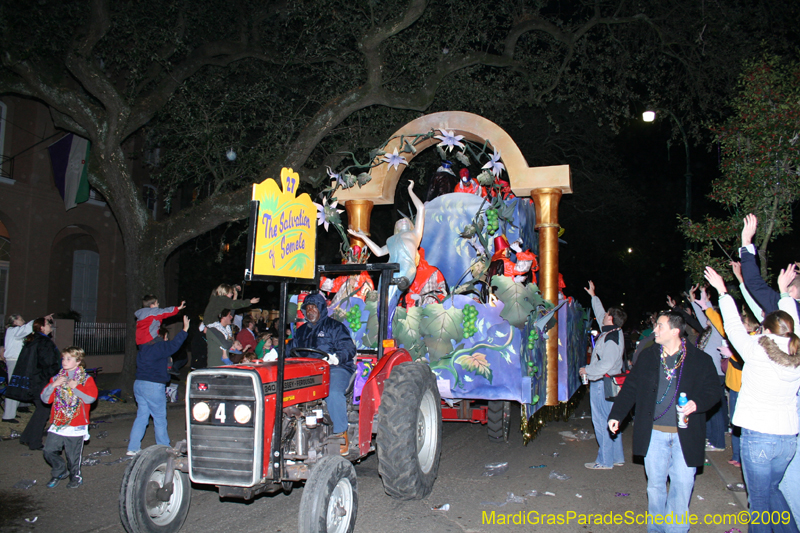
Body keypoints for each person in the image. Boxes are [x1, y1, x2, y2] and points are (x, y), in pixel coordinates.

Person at [705, 265, 800, 533]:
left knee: (758, 502)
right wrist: (783, 293)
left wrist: (723, 292)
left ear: (765, 329)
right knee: (773, 491)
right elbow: (791, 322)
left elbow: (733, 327)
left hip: (759, 437)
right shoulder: (797, 351)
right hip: (787, 440)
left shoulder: (756, 349)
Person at [608, 310, 721, 533]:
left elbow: (713, 391)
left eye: (659, 326)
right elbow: (631, 387)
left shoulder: (699, 360)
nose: (655, 330)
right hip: (654, 434)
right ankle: (657, 529)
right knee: (656, 487)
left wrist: (697, 403)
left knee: (682, 486)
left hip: (685, 435)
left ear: (675, 331)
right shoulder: (649, 356)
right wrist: (616, 415)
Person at [738, 214, 800, 519]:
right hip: (788, 425)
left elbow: (756, 288)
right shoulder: (787, 319)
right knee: (774, 489)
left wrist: (747, 245)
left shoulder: (787, 316)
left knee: (766, 494)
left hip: (769, 425)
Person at [288, 293, 356, 455]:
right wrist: (276, 354)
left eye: (313, 307)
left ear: (321, 309)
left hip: (335, 368)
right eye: (307, 308)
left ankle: (341, 433)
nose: (310, 311)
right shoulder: (302, 331)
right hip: (308, 370)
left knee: (332, 392)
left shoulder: (335, 327)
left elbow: (349, 348)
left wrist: (337, 358)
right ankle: (290, 430)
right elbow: (291, 347)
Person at [579, 280, 626, 470]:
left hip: (603, 383)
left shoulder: (613, 338)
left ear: (611, 320)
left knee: (601, 422)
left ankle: (604, 461)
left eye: (607, 315)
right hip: (609, 382)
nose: (603, 315)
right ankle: (616, 457)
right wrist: (593, 296)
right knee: (611, 420)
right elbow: (599, 313)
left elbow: (606, 364)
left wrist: (587, 371)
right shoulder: (612, 331)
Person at [127, 315, 189, 456]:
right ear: (160, 336)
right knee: (160, 417)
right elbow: (175, 344)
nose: (166, 339)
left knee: (142, 416)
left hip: (139, 384)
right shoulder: (159, 346)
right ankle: (164, 448)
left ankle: (133, 447)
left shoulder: (143, 347)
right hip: (153, 386)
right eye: (165, 336)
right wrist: (184, 330)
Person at [348, 181, 425, 293]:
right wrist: (363, 237)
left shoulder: (415, 234)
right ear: (396, 228)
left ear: (411, 225)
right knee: (383, 299)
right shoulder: (391, 240)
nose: (402, 220)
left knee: (394, 293)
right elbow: (379, 252)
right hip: (388, 270)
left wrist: (410, 191)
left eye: (405, 220)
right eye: (399, 221)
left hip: (405, 269)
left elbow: (421, 208)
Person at [41, 347, 98, 489]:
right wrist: (54, 385)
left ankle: (75, 477)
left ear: (78, 361)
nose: (64, 361)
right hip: (59, 422)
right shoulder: (57, 378)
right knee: (48, 450)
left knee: (73, 457)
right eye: (63, 358)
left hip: (76, 424)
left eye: (68, 358)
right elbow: (45, 398)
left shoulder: (86, 379)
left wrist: (76, 387)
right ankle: (60, 471)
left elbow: (90, 398)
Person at [18, 318, 62, 450]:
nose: (50, 326)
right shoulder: (44, 342)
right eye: (48, 324)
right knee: (43, 411)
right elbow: (47, 362)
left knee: (40, 410)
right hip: (41, 381)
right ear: (41, 327)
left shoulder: (33, 340)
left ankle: (26, 437)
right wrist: (55, 375)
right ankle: (35, 442)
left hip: (33, 379)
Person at [3, 313, 51, 423]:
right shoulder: (13, 330)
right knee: (14, 387)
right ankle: (8, 416)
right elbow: (26, 329)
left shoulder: (15, 332)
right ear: (14, 321)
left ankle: (18, 408)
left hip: (18, 362)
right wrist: (40, 319)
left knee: (20, 385)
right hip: (14, 362)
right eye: (21, 319)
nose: (23, 321)